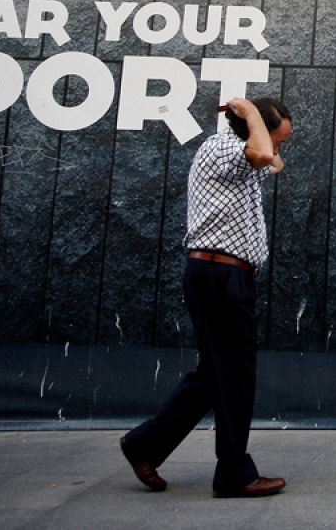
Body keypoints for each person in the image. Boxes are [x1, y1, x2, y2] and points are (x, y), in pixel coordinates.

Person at [119, 97, 293, 496]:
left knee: (216, 375)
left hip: (226, 277)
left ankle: (145, 444)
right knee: (234, 376)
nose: (278, 148)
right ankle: (233, 473)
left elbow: (272, 159)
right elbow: (267, 151)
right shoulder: (221, 149)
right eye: (279, 138)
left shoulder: (245, 161)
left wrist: (264, 134)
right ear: (251, 128)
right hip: (219, 274)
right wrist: (249, 111)